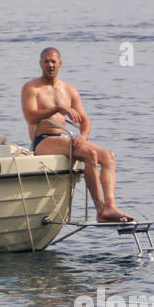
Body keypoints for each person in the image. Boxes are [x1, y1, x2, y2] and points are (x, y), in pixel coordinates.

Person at [21, 46, 132, 223]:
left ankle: (110, 205)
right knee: (90, 154)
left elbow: (85, 121)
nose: (50, 65)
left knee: (108, 156)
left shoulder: (69, 90)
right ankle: (100, 210)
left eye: (53, 61)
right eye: (46, 61)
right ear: (40, 63)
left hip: (65, 138)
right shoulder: (32, 88)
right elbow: (30, 116)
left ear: (60, 64)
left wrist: (83, 136)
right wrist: (57, 108)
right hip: (43, 140)